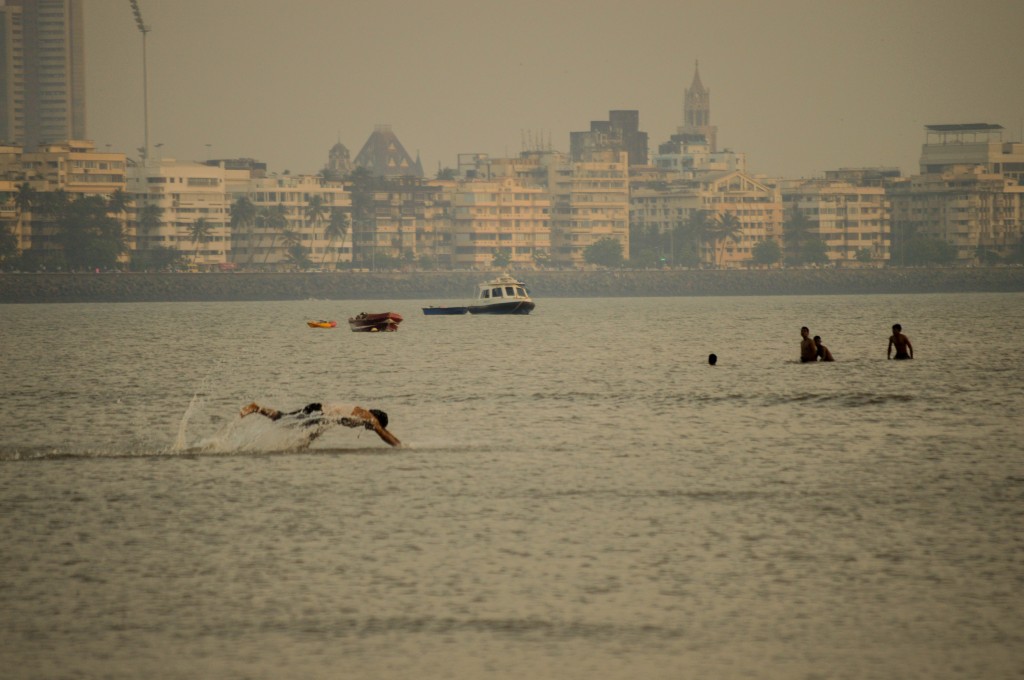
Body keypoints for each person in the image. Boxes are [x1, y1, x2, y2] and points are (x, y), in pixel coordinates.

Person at [240, 401, 402, 447]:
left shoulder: (361, 413)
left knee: (283, 419)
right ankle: (255, 408)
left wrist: (308, 440)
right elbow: (383, 433)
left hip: (318, 410)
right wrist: (400, 446)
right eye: (377, 425)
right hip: (317, 411)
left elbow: (327, 423)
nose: (372, 428)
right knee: (283, 421)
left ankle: (257, 408)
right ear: (378, 419)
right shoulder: (370, 417)